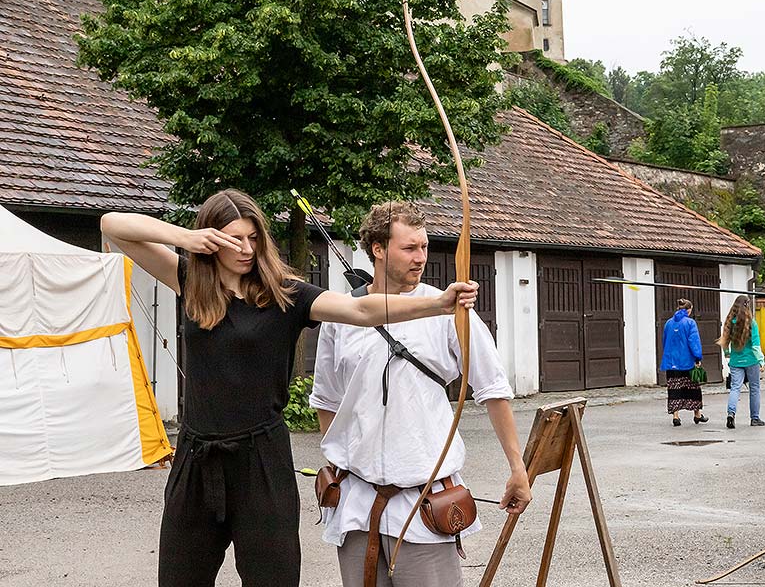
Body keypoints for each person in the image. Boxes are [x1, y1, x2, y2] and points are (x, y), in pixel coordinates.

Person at [100, 189, 478, 587]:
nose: (246, 248)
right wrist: (185, 239)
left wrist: (437, 305)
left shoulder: (287, 294)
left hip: (261, 462)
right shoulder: (190, 280)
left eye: (253, 238)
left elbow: (360, 310)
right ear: (212, 240)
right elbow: (111, 225)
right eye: (233, 239)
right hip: (197, 460)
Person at [310, 201, 532, 587]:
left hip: (424, 503)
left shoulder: (451, 311)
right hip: (358, 506)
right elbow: (327, 400)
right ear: (378, 249)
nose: (421, 258)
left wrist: (518, 468)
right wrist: (337, 466)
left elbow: (493, 389)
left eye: (424, 247)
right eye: (409, 248)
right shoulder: (342, 316)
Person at [717, 295, 765, 429]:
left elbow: (725, 342)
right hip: (751, 361)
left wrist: (727, 355)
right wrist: (761, 361)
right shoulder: (752, 323)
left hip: (735, 361)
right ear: (747, 305)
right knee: (754, 389)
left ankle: (731, 414)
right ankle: (755, 418)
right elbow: (756, 346)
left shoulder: (730, 322)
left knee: (735, 388)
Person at [659, 299, 708, 427]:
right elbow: (694, 342)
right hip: (687, 362)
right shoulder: (690, 323)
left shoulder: (668, 323)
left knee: (674, 388)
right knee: (693, 388)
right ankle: (697, 414)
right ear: (689, 310)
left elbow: (665, 342)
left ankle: (676, 416)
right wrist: (698, 358)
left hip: (672, 362)